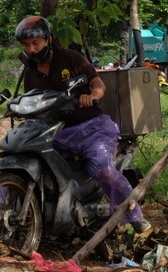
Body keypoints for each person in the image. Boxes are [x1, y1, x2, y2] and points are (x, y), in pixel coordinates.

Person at [15, 16, 151, 233]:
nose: (31, 49)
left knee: (102, 167)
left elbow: (98, 85)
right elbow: (31, 99)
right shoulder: (31, 72)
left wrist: (92, 95)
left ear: (48, 40)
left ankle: (133, 214)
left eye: (35, 43)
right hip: (55, 132)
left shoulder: (71, 59)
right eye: (26, 45)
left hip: (91, 128)